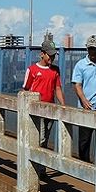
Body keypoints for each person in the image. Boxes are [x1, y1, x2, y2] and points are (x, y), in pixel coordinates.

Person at [23, 40, 65, 178]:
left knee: (45, 139)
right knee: (40, 138)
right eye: (49, 56)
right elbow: (26, 89)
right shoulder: (32, 69)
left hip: (50, 109)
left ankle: (40, 167)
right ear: (42, 54)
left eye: (53, 56)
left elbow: (57, 88)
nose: (51, 59)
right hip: (36, 110)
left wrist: (63, 105)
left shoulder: (55, 70)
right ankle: (37, 168)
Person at [72, 34, 96, 162]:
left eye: (94, 48)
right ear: (86, 49)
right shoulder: (80, 65)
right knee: (84, 140)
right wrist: (84, 100)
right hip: (86, 108)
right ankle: (84, 164)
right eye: (90, 48)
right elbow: (77, 85)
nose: (92, 51)